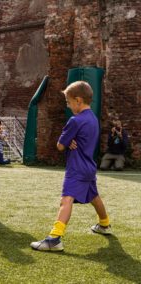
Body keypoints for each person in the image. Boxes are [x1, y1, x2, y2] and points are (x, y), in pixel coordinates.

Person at [30, 81, 111, 252]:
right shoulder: (93, 119)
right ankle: (104, 224)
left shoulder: (75, 120)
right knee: (94, 197)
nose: (68, 106)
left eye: (68, 102)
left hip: (76, 168)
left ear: (78, 100)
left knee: (66, 200)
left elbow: (60, 145)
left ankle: (54, 239)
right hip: (89, 166)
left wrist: (67, 142)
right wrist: (72, 141)